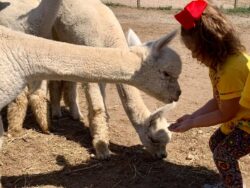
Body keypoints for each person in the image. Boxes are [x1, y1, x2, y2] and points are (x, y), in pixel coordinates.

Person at [168, 0, 250, 188]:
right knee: (216, 143)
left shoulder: (231, 69)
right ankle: (228, 181)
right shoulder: (218, 65)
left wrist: (193, 124)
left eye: (194, 50)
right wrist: (193, 116)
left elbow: (226, 113)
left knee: (224, 154)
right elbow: (219, 100)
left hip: (247, 123)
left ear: (209, 45)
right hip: (242, 119)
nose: (193, 56)